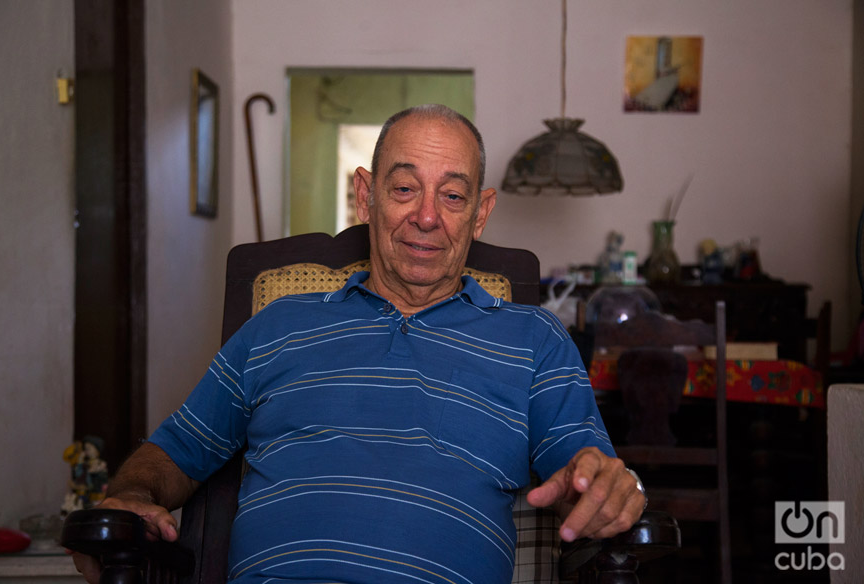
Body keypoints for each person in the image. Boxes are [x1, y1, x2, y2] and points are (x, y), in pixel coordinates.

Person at [72, 104, 645, 584]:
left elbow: (584, 475)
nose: (426, 216)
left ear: (480, 214)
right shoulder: (279, 324)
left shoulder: (534, 339)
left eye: (451, 196)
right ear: (366, 195)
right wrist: (127, 493)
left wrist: (609, 487)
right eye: (404, 188)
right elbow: (173, 453)